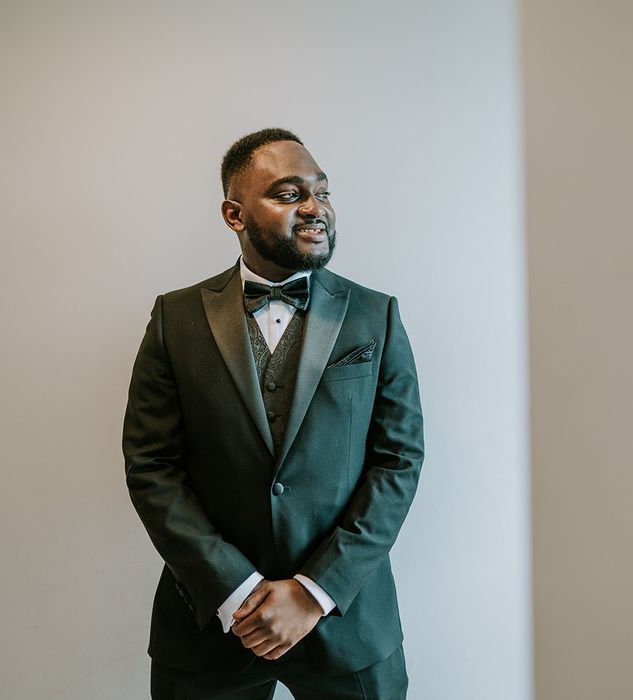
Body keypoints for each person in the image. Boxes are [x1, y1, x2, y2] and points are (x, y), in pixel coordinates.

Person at [123, 128, 424, 699]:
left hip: (349, 621)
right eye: (289, 195)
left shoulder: (375, 316)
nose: (315, 209)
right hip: (212, 624)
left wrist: (313, 590)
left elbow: (399, 461)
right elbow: (152, 466)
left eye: (323, 192)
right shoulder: (175, 318)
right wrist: (235, 590)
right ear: (235, 215)